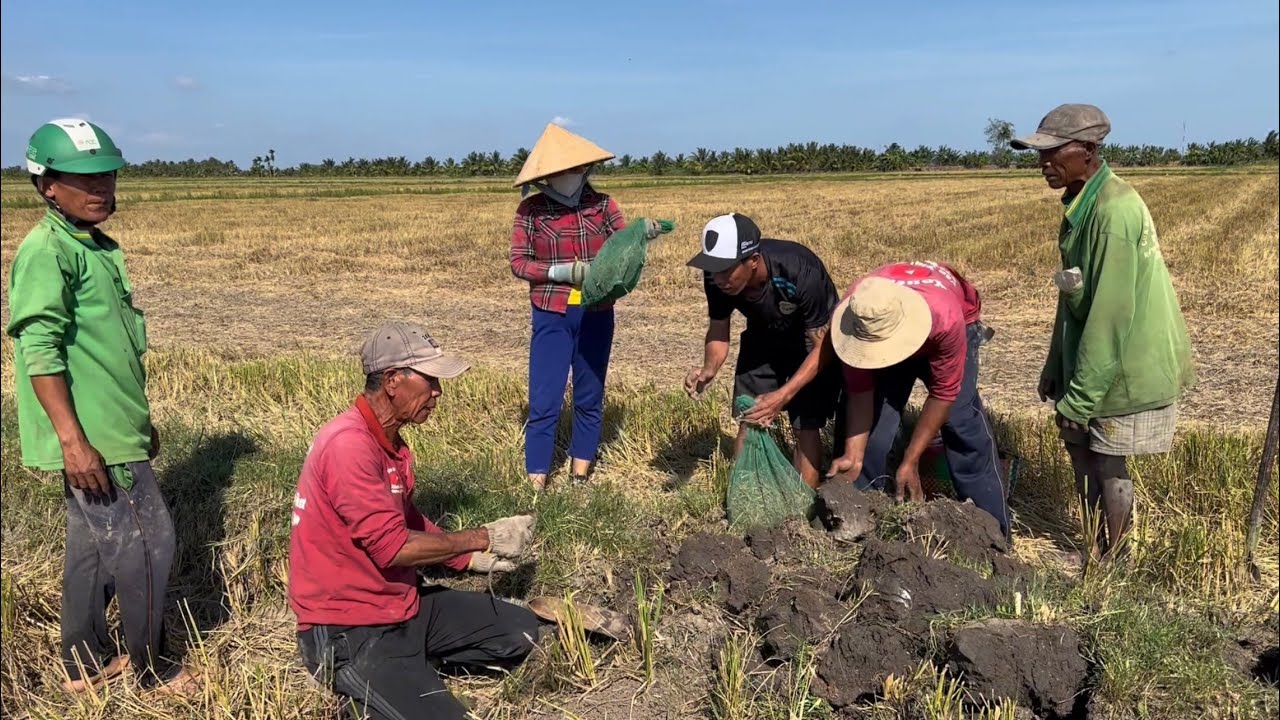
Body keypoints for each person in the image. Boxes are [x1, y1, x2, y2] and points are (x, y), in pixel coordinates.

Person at [288, 321, 629, 720]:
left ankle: (402, 680)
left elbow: (408, 519)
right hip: (350, 631)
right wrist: (482, 538)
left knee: (520, 631)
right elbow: (394, 546)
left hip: (401, 606)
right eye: (430, 380)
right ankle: (376, 690)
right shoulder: (348, 446)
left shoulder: (389, 443)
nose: (438, 392)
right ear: (393, 380)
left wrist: (467, 562)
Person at [5, 119, 194, 693]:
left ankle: (83, 667)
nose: (100, 188)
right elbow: (38, 350)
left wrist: (138, 424)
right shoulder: (48, 250)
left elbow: (107, 350)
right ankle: (152, 670)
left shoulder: (93, 246)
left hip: (113, 429)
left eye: (106, 175)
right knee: (148, 547)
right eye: (82, 179)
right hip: (92, 439)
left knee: (91, 552)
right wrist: (73, 440)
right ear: (47, 186)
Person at [1011, 103, 1195, 558]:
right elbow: (1073, 296)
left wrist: (1082, 395)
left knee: (1108, 460)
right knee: (1080, 450)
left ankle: (1117, 558)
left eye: (1054, 152)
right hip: (1092, 361)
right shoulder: (1082, 203)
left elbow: (1111, 316)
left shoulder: (1114, 213)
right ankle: (1095, 547)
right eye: (1040, 154)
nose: (1044, 164)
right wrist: (1056, 365)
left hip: (1124, 362)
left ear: (1089, 150)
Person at [746, 261, 1011, 538]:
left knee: (961, 421)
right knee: (874, 429)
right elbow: (861, 394)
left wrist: (911, 459)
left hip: (949, 326)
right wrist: (853, 453)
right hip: (884, 326)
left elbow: (944, 394)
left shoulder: (944, 317)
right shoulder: (855, 320)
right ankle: (860, 521)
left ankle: (992, 532)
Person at [685, 213, 842, 489]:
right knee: (751, 414)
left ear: (753, 260)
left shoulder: (799, 270)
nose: (718, 277)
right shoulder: (716, 280)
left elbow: (823, 347)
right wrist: (709, 369)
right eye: (712, 268)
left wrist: (783, 395)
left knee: (805, 422)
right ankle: (745, 495)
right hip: (762, 333)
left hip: (811, 341)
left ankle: (803, 503)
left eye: (725, 269)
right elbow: (719, 330)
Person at [510, 123, 625, 491]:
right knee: (544, 397)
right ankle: (537, 480)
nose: (570, 176)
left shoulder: (603, 205)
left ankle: (580, 476)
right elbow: (518, 263)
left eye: (576, 169)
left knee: (590, 394)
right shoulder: (530, 211)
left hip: (596, 311)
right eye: (562, 171)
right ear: (547, 175)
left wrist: (638, 240)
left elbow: (623, 250)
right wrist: (559, 271)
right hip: (551, 312)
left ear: (586, 169)